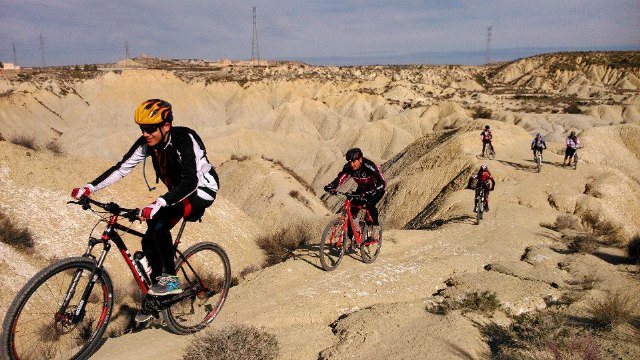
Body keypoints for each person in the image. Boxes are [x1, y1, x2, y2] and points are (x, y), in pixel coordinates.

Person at [71, 99, 219, 321]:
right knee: (149, 238)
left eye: (150, 129)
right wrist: (89, 188)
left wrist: (159, 202)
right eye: (142, 129)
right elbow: (121, 169)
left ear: (166, 126)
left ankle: (170, 281)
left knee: (158, 223)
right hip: (178, 193)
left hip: (201, 190)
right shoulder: (146, 144)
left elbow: (190, 181)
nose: (145, 134)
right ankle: (158, 294)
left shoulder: (184, 139)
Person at [324, 148, 386, 241]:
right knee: (352, 213)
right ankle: (351, 238)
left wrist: (373, 190)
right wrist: (332, 186)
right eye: (350, 161)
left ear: (360, 160)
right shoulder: (349, 167)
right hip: (362, 189)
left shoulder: (369, 166)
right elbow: (341, 178)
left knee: (370, 205)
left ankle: (375, 228)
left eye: (353, 161)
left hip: (376, 189)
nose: (351, 164)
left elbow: (382, 183)